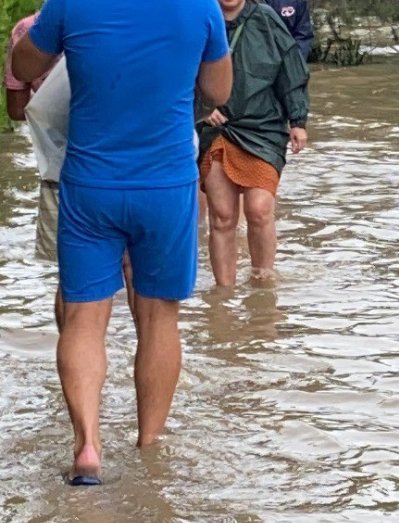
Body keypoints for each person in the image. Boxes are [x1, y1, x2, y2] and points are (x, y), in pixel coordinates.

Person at [12, 0, 234, 486]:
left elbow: (21, 65)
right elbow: (219, 90)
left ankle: (87, 445)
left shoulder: (71, 3)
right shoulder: (201, 8)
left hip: (91, 183)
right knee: (158, 320)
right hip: (165, 185)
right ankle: (149, 444)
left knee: (84, 318)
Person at [199, 0, 309, 288]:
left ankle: (263, 282)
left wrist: (298, 121)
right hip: (216, 129)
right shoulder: (198, 16)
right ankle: (224, 295)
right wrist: (201, 107)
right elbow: (174, 69)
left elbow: (291, 68)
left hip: (264, 127)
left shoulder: (266, 19)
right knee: (222, 216)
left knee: (259, 209)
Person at [4, 8, 62, 326]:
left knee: (72, 278)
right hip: (130, 159)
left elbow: (17, 110)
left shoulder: (26, 30)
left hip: (60, 163)